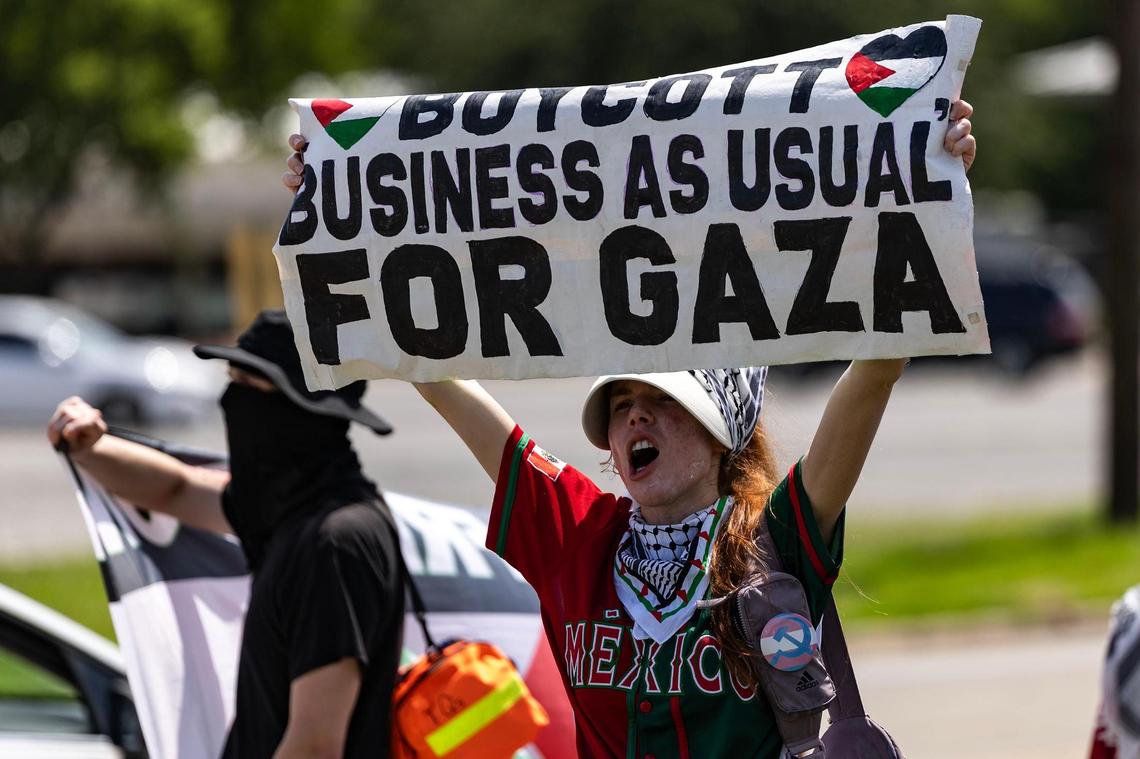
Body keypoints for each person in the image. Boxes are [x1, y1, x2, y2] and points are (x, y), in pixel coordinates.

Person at [283, 102, 976, 757]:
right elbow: (431, 371)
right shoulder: (580, 535)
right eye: (620, 404)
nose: (635, 416)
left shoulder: (780, 535)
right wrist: (341, 207)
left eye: (663, 399)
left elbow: (872, 377)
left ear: (719, 431)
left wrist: (929, 179)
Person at [47, 309, 405, 759]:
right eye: (231, 379)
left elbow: (315, 745)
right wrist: (90, 445)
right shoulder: (293, 511)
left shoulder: (334, 542)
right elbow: (178, 490)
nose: (232, 400)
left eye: (250, 385)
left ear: (304, 407)